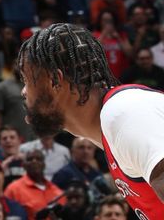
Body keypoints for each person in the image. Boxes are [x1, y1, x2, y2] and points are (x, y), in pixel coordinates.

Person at [19, 23, 164, 218]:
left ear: (55, 80)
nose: (24, 92)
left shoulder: (124, 112)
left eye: (27, 80)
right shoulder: (111, 128)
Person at [2, 149, 63, 219]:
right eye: (30, 159)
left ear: (44, 164)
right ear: (24, 165)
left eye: (38, 159)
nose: (34, 161)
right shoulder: (13, 189)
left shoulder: (57, 191)